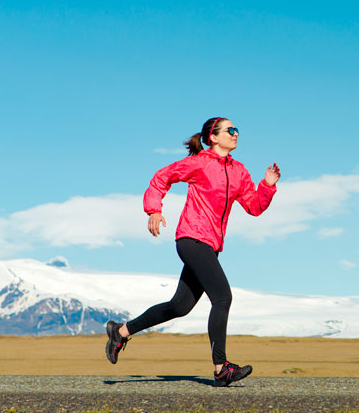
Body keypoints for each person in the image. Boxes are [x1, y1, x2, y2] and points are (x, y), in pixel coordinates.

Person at [105, 117, 280, 387]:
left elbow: (254, 207)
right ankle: (221, 368)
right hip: (191, 239)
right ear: (213, 137)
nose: (235, 134)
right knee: (222, 297)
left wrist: (267, 186)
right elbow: (162, 177)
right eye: (230, 130)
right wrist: (154, 209)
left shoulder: (240, 172)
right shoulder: (199, 163)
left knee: (180, 306)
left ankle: (120, 331)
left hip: (210, 246)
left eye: (237, 130)